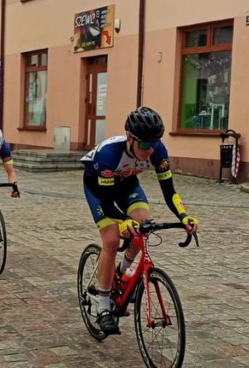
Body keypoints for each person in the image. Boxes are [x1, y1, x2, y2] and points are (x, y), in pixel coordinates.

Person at [80, 106, 199, 335]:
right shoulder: (109, 154)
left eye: (154, 143)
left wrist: (183, 216)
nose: (149, 149)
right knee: (113, 240)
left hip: (127, 186)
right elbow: (106, 203)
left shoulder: (158, 151)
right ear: (130, 138)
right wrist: (123, 220)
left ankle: (122, 274)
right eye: (144, 144)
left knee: (143, 227)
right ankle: (104, 306)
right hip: (98, 189)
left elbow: (169, 191)